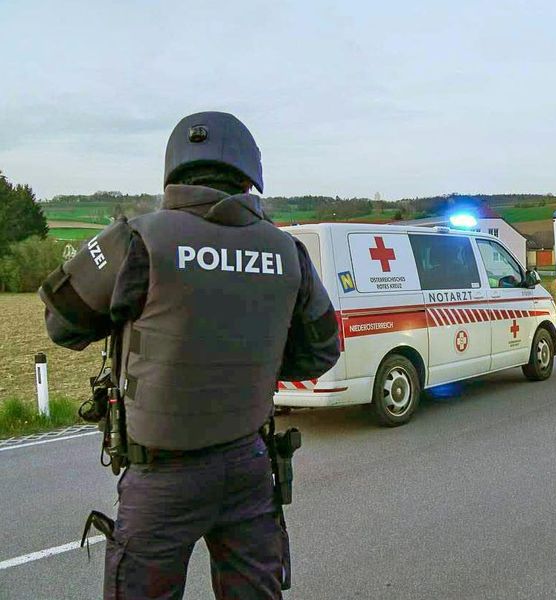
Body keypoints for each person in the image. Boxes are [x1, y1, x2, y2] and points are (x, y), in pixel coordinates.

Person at [38, 111, 340, 599]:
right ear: (249, 178)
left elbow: (62, 325)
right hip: (249, 465)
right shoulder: (287, 252)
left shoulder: (138, 238)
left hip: (160, 478)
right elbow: (322, 350)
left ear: (174, 172)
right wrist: (251, 363)